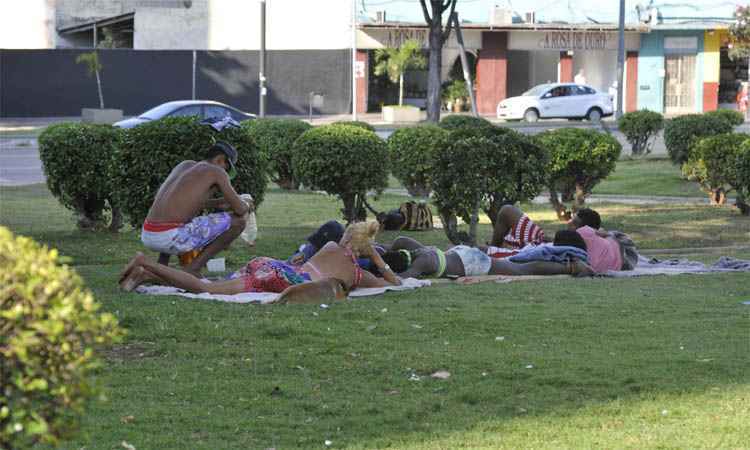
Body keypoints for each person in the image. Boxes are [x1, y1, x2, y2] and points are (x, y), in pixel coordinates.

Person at [120, 221, 402, 303]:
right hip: (282, 279)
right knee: (204, 289)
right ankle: (147, 264)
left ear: (346, 238)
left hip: (272, 266)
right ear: (365, 249)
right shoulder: (356, 274)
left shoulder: (329, 246)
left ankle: (148, 275)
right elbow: (394, 283)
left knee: (207, 284)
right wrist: (375, 257)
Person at [140, 141, 250, 275]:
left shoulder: (184, 165)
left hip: (148, 234)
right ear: (220, 159)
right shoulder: (217, 172)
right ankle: (193, 269)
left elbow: (181, 204)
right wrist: (247, 201)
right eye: (226, 166)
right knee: (238, 222)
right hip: (171, 237)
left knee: (178, 219)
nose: (225, 170)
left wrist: (218, 202)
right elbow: (240, 210)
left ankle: (162, 265)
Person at [382, 233, 592, 279]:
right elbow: (398, 240)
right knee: (517, 265)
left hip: (471, 263)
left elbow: (401, 280)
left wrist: (382, 272)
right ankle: (570, 266)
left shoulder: (420, 263)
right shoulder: (416, 250)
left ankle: (571, 267)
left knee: (521, 270)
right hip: (457, 252)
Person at [567, 208, 638, 273]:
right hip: (621, 263)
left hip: (622, 255)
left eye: (574, 222)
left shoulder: (582, 232)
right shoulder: (598, 236)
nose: (569, 223)